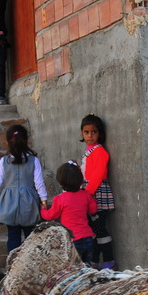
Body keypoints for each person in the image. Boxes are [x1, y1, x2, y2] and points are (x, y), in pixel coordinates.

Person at [0, 124, 47, 252]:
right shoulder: (34, 161)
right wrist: (43, 201)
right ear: (26, 140)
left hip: (9, 204)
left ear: (7, 142)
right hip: (29, 203)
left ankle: (12, 265)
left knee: (13, 237)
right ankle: (30, 263)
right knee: (31, 237)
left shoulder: (4, 161)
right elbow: (39, 183)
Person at [79, 114, 117, 269]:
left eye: (93, 132)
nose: (90, 135)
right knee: (94, 229)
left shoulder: (100, 151)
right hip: (91, 193)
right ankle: (95, 261)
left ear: (100, 133)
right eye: (86, 132)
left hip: (97, 194)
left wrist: (87, 195)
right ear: (82, 133)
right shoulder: (90, 150)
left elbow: (98, 175)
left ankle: (109, 260)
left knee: (100, 228)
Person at [40, 161, 97, 264]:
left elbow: (50, 216)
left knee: (74, 269)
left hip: (72, 240)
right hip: (88, 238)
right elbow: (93, 210)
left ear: (60, 181)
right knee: (87, 268)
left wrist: (43, 210)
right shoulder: (86, 195)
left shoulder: (60, 199)